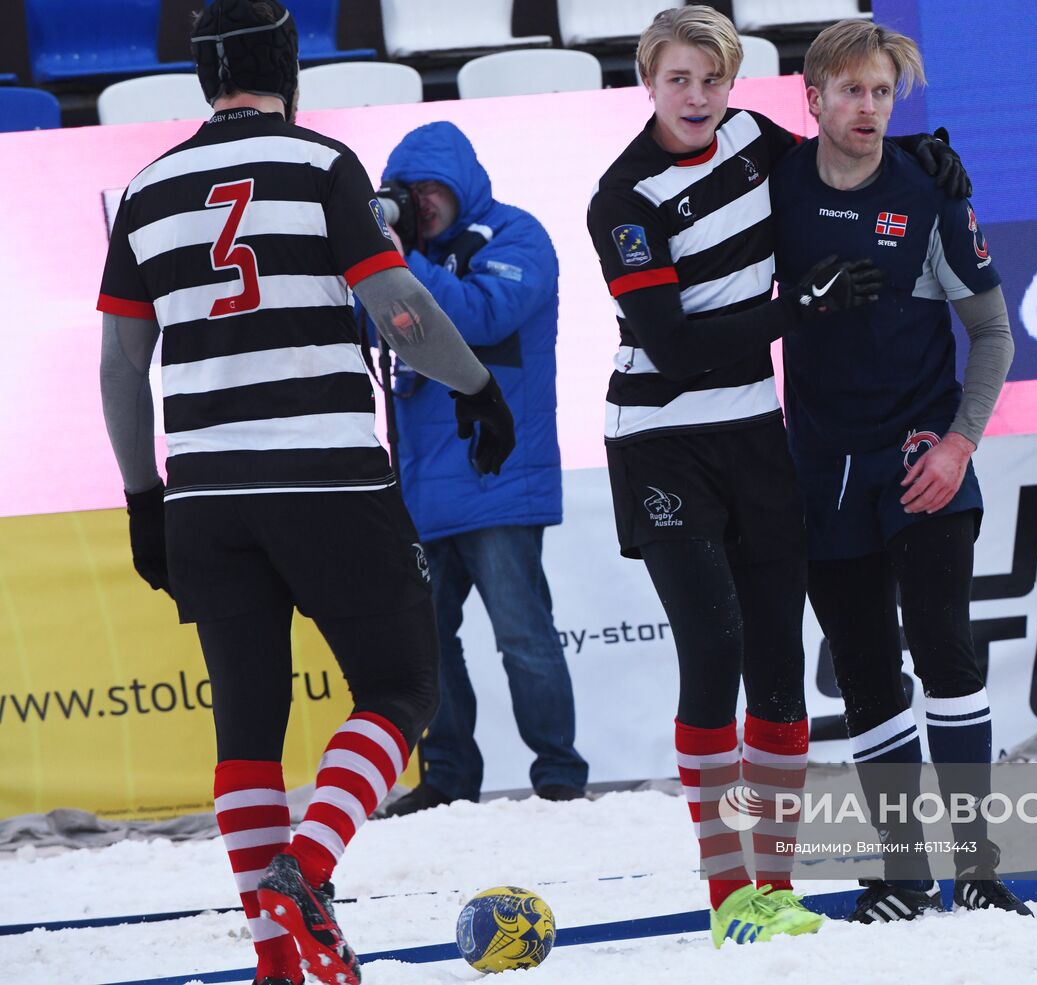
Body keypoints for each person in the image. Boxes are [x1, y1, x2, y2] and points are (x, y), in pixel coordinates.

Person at [95, 4, 513, 984]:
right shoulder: (322, 166)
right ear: (289, 66)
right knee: (402, 689)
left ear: (203, 80)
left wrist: (141, 498)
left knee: (246, 723)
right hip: (323, 473)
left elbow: (120, 365)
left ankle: (279, 963)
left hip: (202, 489)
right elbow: (398, 311)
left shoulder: (147, 191)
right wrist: (478, 386)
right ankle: (306, 868)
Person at [584, 6, 969, 947]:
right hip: (661, 437)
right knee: (712, 651)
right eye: (679, 79)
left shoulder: (755, 139)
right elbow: (670, 347)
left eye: (712, 80)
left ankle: (777, 887)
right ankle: (728, 896)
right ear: (649, 79)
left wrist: (927, 157)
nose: (698, 97)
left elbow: (843, 150)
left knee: (781, 669)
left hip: (759, 433)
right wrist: (795, 306)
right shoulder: (622, 197)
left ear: (732, 84)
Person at [771, 19, 1029, 922]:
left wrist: (960, 443)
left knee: (944, 651)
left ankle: (978, 865)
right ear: (814, 99)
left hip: (923, 460)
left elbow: (994, 331)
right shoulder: (775, 184)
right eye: (851, 92)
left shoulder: (932, 191)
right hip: (819, 469)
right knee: (867, 673)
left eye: (883, 93)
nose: (869, 108)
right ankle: (900, 876)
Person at [369, 121, 589, 814]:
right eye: (411, 194)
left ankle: (559, 773)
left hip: (499, 474)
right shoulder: (403, 259)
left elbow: (479, 318)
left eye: (434, 189)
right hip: (421, 484)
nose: (424, 204)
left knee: (522, 634)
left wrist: (400, 265)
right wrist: (367, 262)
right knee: (426, 643)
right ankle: (447, 774)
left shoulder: (519, 237)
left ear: (463, 183)